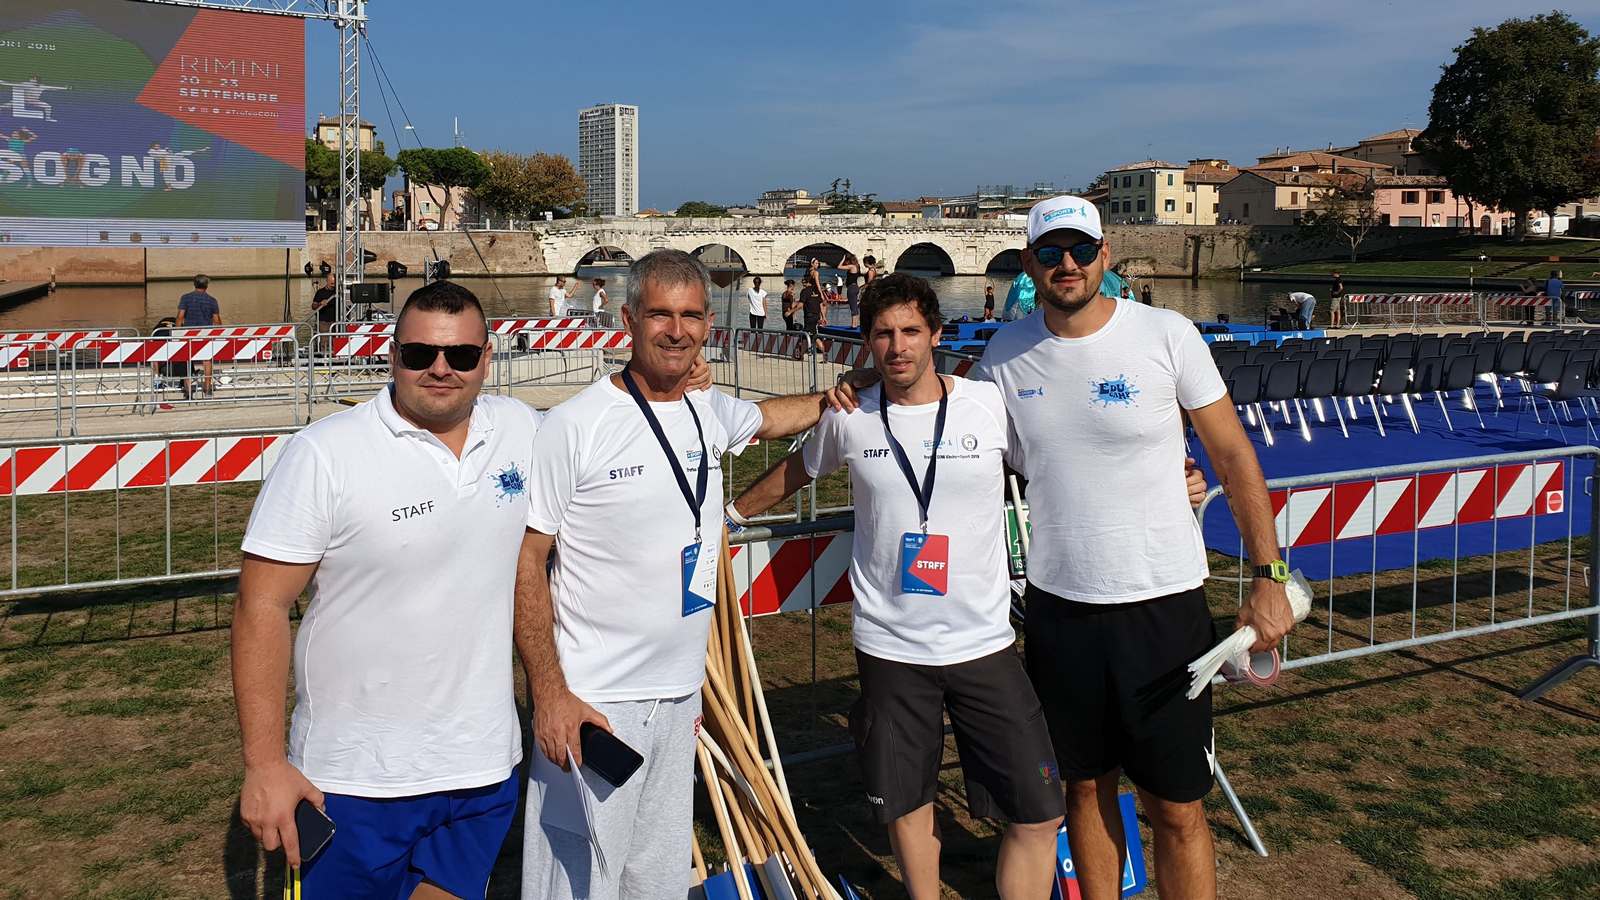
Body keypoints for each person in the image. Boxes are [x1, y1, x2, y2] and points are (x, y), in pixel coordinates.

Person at [514, 249, 864, 900]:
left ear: (708, 325)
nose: (676, 330)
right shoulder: (576, 426)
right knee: (575, 883)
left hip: (679, 698)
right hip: (597, 702)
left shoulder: (707, 411)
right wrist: (551, 693)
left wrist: (837, 395)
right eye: (660, 314)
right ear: (627, 319)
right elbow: (527, 560)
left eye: (691, 315)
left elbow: (768, 421)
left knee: (656, 880)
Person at [973, 196, 1293, 900]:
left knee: (1177, 807)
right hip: (1062, 609)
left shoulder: (1166, 334)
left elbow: (1234, 457)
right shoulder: (1002, 356)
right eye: (1051, 252)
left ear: (1104, 256)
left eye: (1080, 250)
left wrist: (1268, 575)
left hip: (1163, 606)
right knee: (1085, 791)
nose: (1067, 264)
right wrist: (851, 396)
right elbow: (950, 436)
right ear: (1028, 262)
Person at [730, 274, 1065, 898]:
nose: (898, 346)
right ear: (866, 344)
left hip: (984, 642)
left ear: (936, 335)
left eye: (911, 331)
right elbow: (794, 472)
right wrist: (730, 518)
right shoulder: (850, 417)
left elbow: (1059, 467)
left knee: (1040, 810)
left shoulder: (986, 404)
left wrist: (1168, 481)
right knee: (907, 807)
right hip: (891, 648)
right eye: (882, 334)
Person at [233, 281, 539, 897]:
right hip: (355, 777)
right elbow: (261, 606)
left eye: (462, 356)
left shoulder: (524, 430)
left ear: (488, 357)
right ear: (392, 355)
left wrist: (681, 381)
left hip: (483, 766)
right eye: (421, 354)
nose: (441, 369)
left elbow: (614, 426)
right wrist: (264, 763)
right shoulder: (325, 454)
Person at [176, 274, 222, 397]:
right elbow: (216, 320)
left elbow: (180, 317)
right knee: (207, 360)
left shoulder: (185, 298)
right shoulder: (212, 301)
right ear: (206, 286)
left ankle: (188, 389)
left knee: (186, 360)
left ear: (194, 284)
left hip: (188, 333)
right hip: (205, 333)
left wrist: (177, 332)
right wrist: (219, 332)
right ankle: (207, 388)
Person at [803, 258, 826, 350]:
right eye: (816, 263)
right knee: (823, 304)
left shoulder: (808, 272)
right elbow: (817, 284)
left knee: (809, 332)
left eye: (818, 263)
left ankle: (802, 353)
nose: (818, 265)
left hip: (809, 296)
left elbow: (805, 283)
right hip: (815, 294)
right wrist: (822, 294)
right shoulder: (815, 273)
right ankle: (822, 319)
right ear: (812, 264)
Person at [840, 254, 864, 328]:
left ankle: (854, 325)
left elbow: (839, 266)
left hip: (851, 288)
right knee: (854, 306)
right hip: (855, 287)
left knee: (853, 307)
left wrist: (843, 258)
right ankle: (855, 324)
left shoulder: (852, 266)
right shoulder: (857, 266)